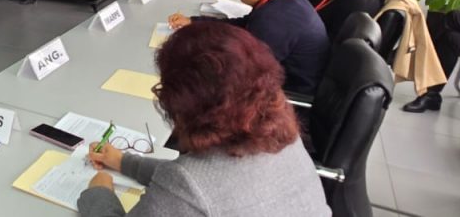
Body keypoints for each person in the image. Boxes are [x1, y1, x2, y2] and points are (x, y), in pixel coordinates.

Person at [77, 22, 330, 217]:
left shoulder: (188, 186)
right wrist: (123, 161)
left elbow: (191, 186)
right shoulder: (284, 134)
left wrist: (99, 192)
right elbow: (203, 180)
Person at [168, 0, 329, 95]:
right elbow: (242, 26)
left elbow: (247, 72)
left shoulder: (273, 20)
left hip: (289, 95)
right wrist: (194, 23)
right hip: (279, 77)